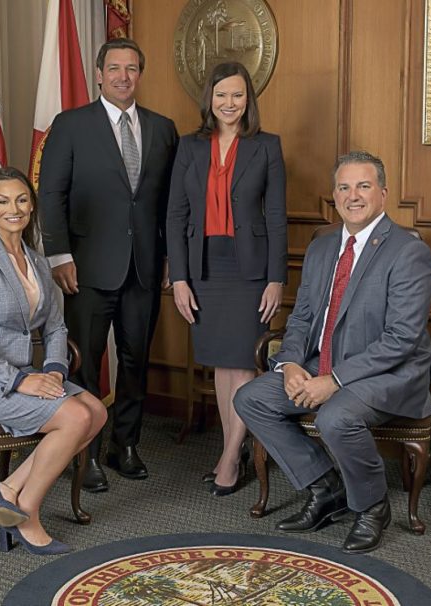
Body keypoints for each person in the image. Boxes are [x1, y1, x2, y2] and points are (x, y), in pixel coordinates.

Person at [234, 151, 431, 554]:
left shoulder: (407, 252)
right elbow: (303, 317)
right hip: (319, 364)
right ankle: (325, 487)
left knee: (336, 416)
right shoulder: (323, 248)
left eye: (363, 186)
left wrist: (335, 380)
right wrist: (290, 363)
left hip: (386, 374)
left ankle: (372, 506)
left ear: (383, 193)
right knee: (251, 398)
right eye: (344, 187)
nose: (353, 196)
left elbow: (402, 339)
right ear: (334, 194)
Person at [0, 167, 108, 556]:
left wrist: (52, 370)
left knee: (96, 412)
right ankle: (26, 512)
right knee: (76, 417)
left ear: (31, 207)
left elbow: (54, 328)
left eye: (20, 200)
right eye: (2, 201)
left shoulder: (36, 261)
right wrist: (18, 380)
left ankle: (5, 490)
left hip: (27, 372)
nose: (13, 208)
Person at [39, 38, 178, 493]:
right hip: (86, 268)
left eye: (132, 68)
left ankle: (126, 445)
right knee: (86, 363)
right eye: (114, 68)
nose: (123, 76)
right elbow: (51, 194)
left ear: (141, 74)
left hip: (144, 267)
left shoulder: (162, 129)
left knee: (135, 359)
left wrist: (169, 259)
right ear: (98, 74)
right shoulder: (71, 125)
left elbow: (170, 204)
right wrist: (59, 255)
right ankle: (86, 453)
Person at [165, 62, 286, 496]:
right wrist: (179, 277)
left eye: (237, 95)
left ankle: (230, 457)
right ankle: (231, 447)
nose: (229, 103)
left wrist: (277, 278)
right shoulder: (189, 147)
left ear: (248, 100)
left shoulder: (267, 146)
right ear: (209, 100)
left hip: (250, 270)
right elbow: (175, 215)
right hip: (204, 270)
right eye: (221, 95)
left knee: (242, 364)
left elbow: (275, 216)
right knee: (220, 363)